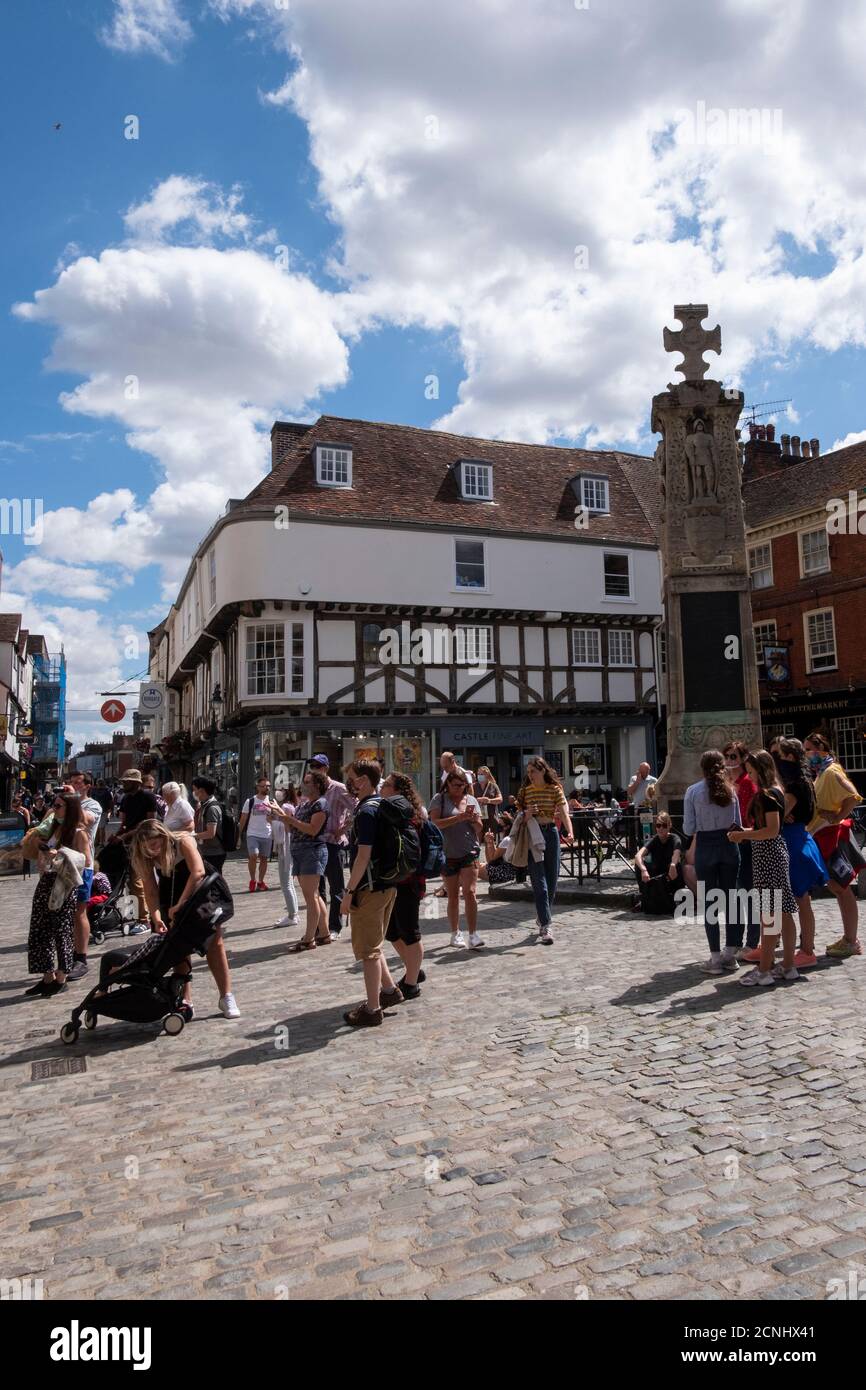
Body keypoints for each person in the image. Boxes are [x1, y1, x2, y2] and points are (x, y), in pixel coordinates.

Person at [127, 819, 240, 1019]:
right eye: (149, 846)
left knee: (215, 942)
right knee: (178, 946)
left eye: (157, 842)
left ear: (163, 835)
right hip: (171, 891)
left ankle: (226, 995)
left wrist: (182, 904)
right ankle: (185, 999)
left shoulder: (182, 841)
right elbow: (150, 889)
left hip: (201, 889)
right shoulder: (145, 856)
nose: (155, 848)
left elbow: (198, 872)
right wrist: (156, 916)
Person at [339, 759, 404, 1026]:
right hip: (388, 885)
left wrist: (348, 892)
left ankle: (372, 1009)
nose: (350, 783)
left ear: (364, 780)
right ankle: (389, 990)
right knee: (374, 946)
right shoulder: (381, 805)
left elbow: (362, 856)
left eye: (353, 778)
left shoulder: (366, 811)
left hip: (369, 888)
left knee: (368, 952)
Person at [728, 750, 799, 987]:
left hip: (768, 857)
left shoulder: (767, 794)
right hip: (775, 854)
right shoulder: (777, 791)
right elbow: (770, 829)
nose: (749, 775)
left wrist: (744, 835)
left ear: (761, 769)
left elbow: (771, 830)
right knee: (784, 915)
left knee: (770, 919)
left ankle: (765, 970)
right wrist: (743, 834)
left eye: (751, 771)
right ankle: (788, 966)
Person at [24, 792, 91, 998]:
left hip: (64, 884)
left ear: (70, 809)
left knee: (61, 931)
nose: (55, 808)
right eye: (54, 804)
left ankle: (61, 977)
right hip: (46, 881)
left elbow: (86, 862)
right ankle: (47, 977)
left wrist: (61, 854)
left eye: (59, 805)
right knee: (39, 929)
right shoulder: (54, 828)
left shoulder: (79, 832)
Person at [803, 732, 863, 959]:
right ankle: (849, 938)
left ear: (822, 749)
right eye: (806, 750)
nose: (808, 754)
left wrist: (838, 816)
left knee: (841, 887)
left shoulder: (831, 772)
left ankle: (851, 939)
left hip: (830, 836)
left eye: (811, 749)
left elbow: (852, 795)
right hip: (822, 835)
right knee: (838, 888)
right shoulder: (822, 772)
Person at [683, 750, 742, 974]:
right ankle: (730, 953)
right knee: (732, 900)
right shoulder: (731, 791)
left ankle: (715, 957)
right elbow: (737, 823)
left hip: (706, 846)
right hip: (729, 844)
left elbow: (689, 828)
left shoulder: (693, 791)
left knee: (710, 902)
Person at [776, 738, 828, 969]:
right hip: (800, 839)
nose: (781, 761)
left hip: (794, 843)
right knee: (802, 900)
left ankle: (806, 950)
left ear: (793, 757)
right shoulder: (803, 781)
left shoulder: (795, 784)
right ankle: (806, 947)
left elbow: (777, 817)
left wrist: (778, 814)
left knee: (800, 900)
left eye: (785, 756)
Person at [515, 756, 574, 945]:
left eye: (533, 771)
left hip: (551, 834)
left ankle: (542, 915)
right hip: (533, 836)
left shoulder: (554, 789)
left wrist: (570, 831)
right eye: (528, 772)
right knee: (539, 883)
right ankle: (546, 925)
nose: (530, 775)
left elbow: (564, 811)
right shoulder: (525, 791)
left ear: (542, 770)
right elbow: (518, 814)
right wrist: (526, 814)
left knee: (552, 879)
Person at [381, 771, 428, 998]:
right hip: (394, 880)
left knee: (409, 931)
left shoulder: (409, 814)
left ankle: (412, 984)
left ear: (398, 790)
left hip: (409, 881)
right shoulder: (392, 811)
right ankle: (414, 969)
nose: (383, 787)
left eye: (387, 785)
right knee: (392, 932)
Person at [430, 768, 485, 949]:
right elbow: (435, 823)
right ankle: (455, 933)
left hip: (469, 851)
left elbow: (479, 829)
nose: (459, 788)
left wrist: (473, 820)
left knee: (470, 892)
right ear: (447, 784)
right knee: (453, 896)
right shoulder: (439, 799)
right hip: (448, 854)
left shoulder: (471, 800)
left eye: (463, 785)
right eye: (456, 785)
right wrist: (459, 818)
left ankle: (473, 934)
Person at [280, 769, 330, 950]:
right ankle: (324, 933)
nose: (303, 785)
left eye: (307, 782)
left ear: (317, 785)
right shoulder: (303, 804)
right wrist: (281, 819)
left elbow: (312, 830)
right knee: (313, 896)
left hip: (312, 851)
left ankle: (309, 938)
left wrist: (290, 820)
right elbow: (294, 829)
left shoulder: (321, 804)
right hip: (300, 851)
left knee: (311, 897)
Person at [308, 754, 355, 940]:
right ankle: (321, 927)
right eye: (312, 765)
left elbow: (356, 807)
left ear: (326, 768)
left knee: (336, 887)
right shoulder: (311, 789)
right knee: (316, 889)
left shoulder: (338, 788)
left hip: (332, 843)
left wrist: (343, 828)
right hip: (313, 842)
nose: (314, 768)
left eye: (317, 766)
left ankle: (335, 926)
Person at [722, 741, 761, 962]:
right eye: (726, 756)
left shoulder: (746, 783)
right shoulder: (728, 782)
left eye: (734, 756)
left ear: (744, 759)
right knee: (737, 895)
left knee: (749, 894)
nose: (729, 760)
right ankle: (738, 942)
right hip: (733, 841)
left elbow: (750, 816)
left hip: (746, 842)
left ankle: (752, 942)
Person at [65, 771, 101, 981]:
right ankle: (67, 952)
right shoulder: (65, 803)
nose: (74, 785)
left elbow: (87, 821)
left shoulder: (92, 805)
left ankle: (82, 958)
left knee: (79, 911)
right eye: (71, 782)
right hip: (61, 863)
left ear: (88, 786)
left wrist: (73, 801)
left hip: (81, 864)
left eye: (78, 783)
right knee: (64, 911)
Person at [113, 769, 159, 928]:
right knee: (127, 881)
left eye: (126, 781)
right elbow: (124, 823)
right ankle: (131, 913)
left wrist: (125, 835)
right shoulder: (126, 799)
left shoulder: (148, 797)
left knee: (139, 880)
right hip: (128, 844)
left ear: (136, 783)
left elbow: (149, 823)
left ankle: (144, 919)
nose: (123, 784)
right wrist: (117, 835)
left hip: (142, 843)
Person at [633, 811, 683, 912]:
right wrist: (643, 870)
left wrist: (673, 865)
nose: (660, 828)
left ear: (669, 826)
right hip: (657, 872)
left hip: (669, 874)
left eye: (664, 825)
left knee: (677, 866)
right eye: (658, 825)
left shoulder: (675, 839)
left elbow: (676, 854)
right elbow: (638, 855)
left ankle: (676, 898)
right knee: (638, 865)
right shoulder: (655, 839)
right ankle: (645, 896)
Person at [239, 776, 277, 892]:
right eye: (264, 786)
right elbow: (243, 819)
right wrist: (238, 836)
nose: (267, 788)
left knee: (264, 859)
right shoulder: (250, 801)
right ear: (258, 787)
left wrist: (273, 818)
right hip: (252, 833)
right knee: (254, 855)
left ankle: (260, 881)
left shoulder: (272, 801)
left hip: (267, 834)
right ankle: (252, 879)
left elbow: (275, 818)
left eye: (268, 786)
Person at [191, 776, 227, 874]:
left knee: (214, 882)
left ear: (201, 790)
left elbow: (211, 833)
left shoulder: (212, 808)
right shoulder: (205, 805)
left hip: (214, 853)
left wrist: (192, 836)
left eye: (194, 790)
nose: (193, 793)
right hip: (207, 851)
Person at [473, 765, 503, 835]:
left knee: (489, 841)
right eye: (478, 774)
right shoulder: (474, 786)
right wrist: (477, 800)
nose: (479, 776)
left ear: (487, 775)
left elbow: (500, 799)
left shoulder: (493, 786)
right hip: (478, 819)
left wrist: (489, 800)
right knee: (478, 841)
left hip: (491, 819)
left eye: (482, 774)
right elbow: (468, 799)